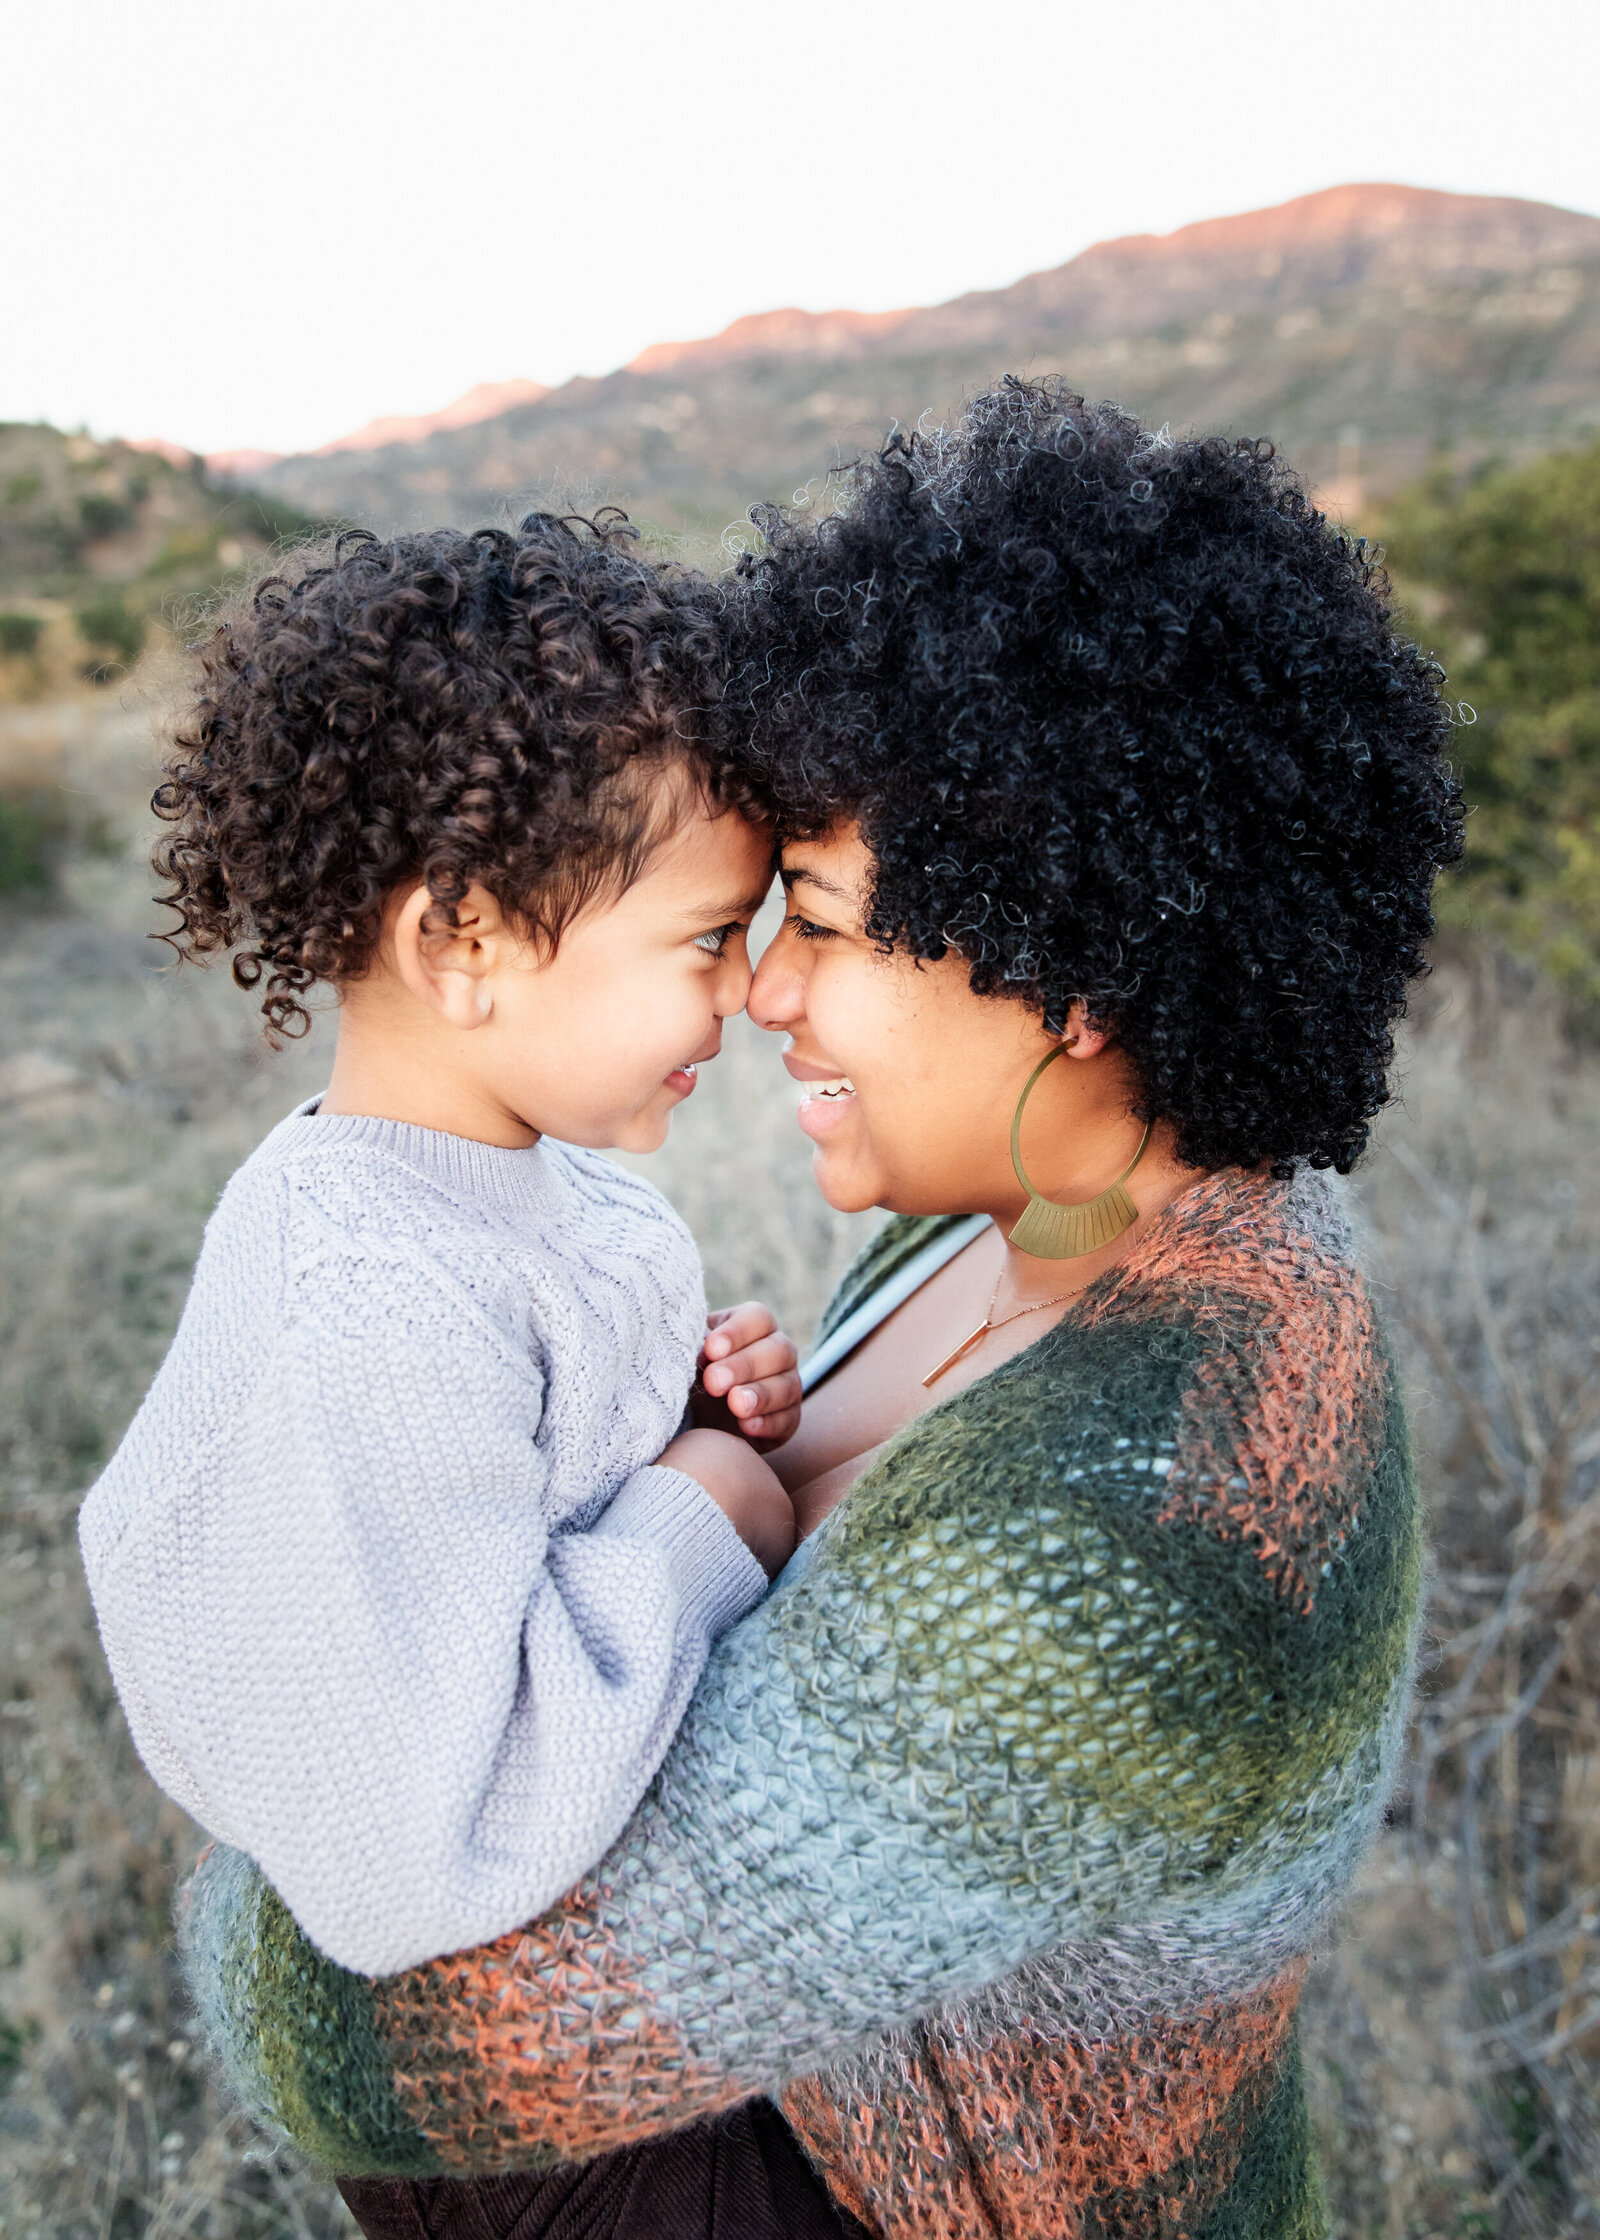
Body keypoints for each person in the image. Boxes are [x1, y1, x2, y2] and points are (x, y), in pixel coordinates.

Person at [179, 384, 1463, 2238]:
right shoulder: (1057, 1199)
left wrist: (246, 1859)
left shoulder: (1131, 1526)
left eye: (829, 925)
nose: (765, 992)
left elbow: (395, 2044)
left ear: (1072, 974)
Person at [79, 516, 803, 1984]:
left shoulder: (548, 1193)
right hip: (517, 2145)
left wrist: (690, 1417)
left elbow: (524, 1513)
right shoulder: (372, 1300)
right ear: (461, 943)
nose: (751, 986)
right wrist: (704, 1506)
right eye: (706, 939)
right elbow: (418, 1853)